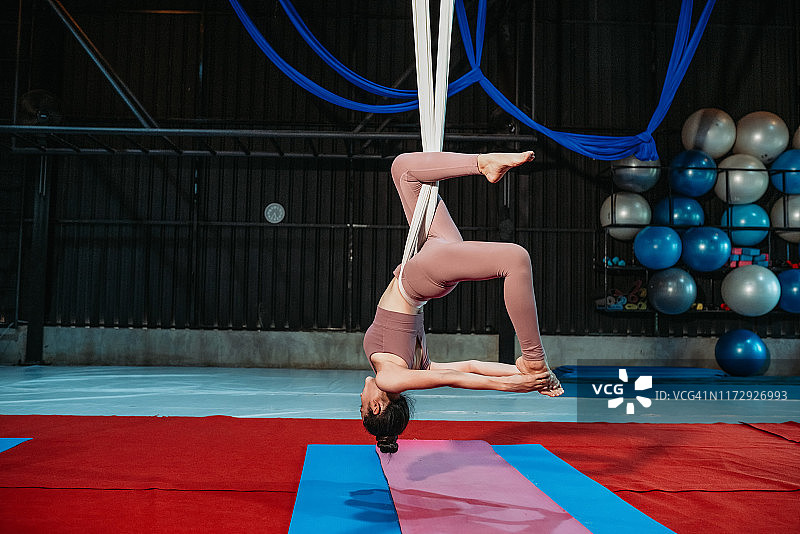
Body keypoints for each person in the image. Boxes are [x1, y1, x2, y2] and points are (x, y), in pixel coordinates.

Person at [361, 151, 563, 453]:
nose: (361, 400)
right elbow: (453, 378)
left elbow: (471, 365)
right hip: (419, 278)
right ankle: (534, 358)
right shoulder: (390, 379)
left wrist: (528, 378)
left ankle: (483, 164)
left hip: (429, 263)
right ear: (376, 408)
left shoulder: (413, 370)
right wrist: (515, 384)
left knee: (405, 171)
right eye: (361, 407)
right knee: (515, 259)